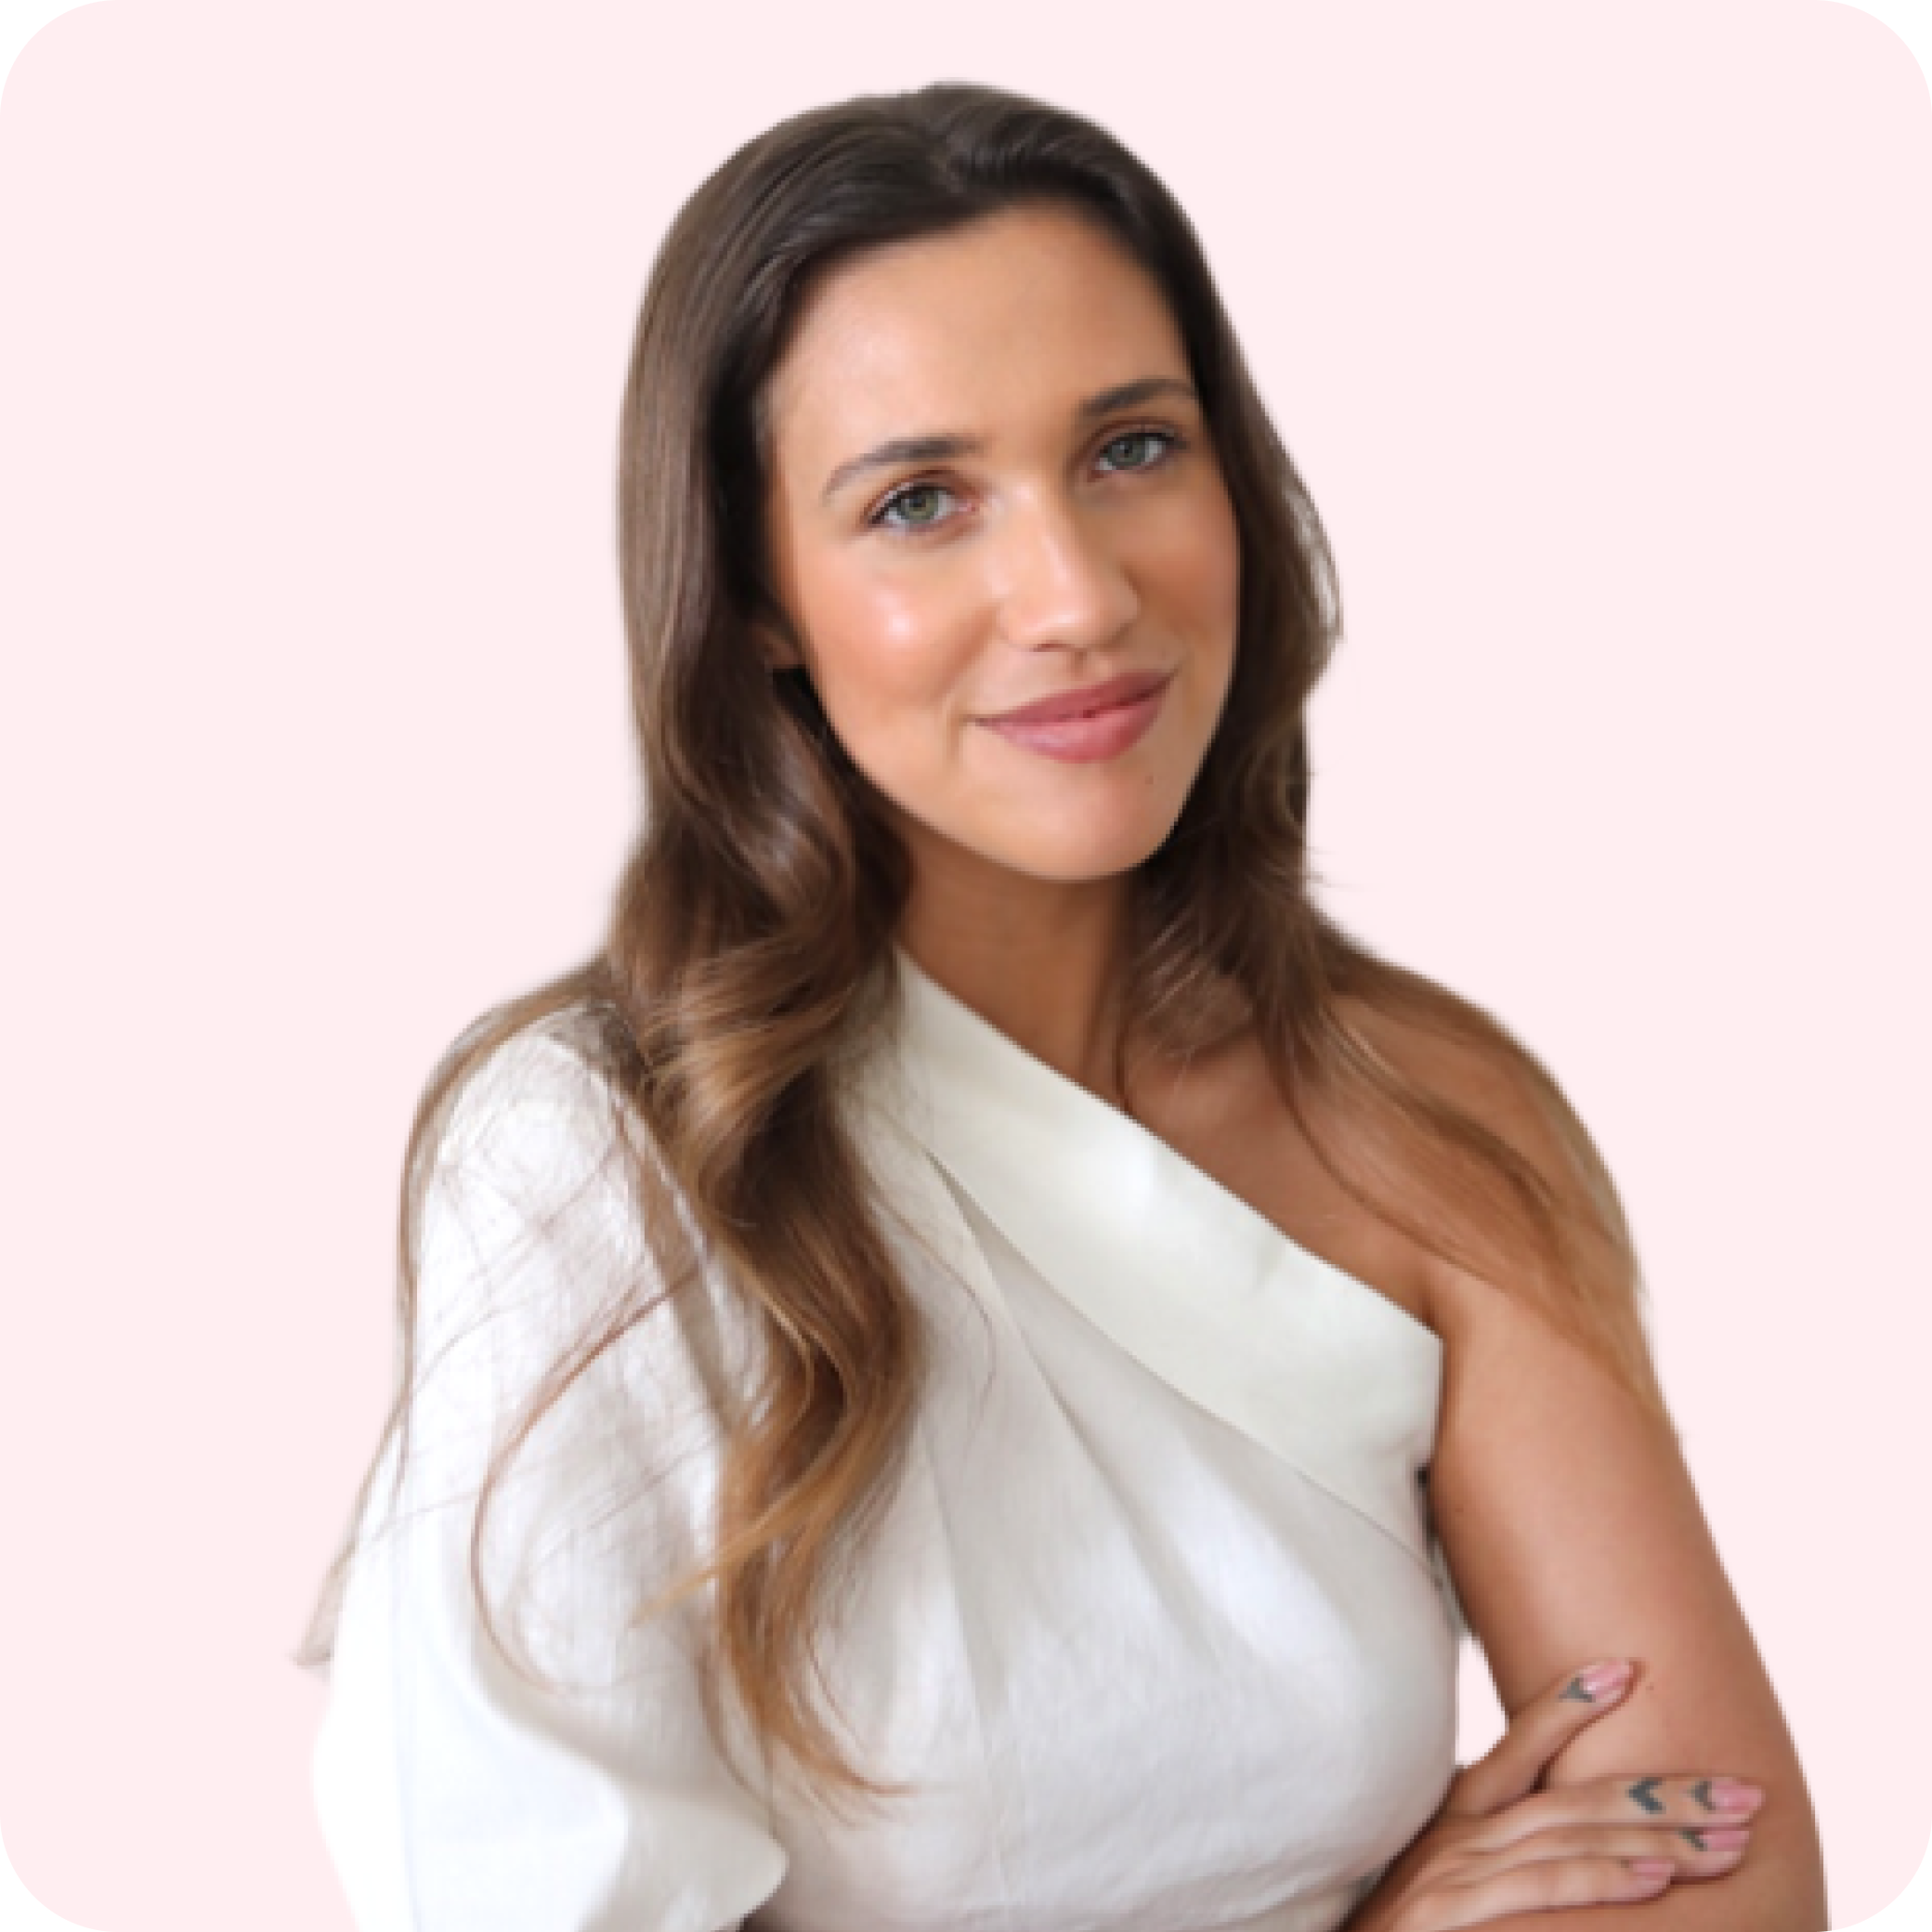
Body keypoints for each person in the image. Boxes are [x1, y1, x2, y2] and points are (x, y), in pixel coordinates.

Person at [300, 82, 1827, 1932]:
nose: (1075, 597)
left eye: (1126, 449)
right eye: (918, 501)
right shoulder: (598, 1154)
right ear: (761, 595)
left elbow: (1719, 1869)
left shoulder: (1420, 1112)